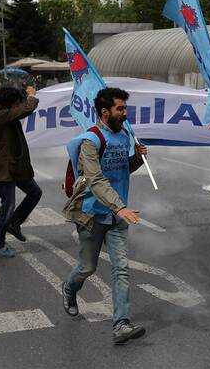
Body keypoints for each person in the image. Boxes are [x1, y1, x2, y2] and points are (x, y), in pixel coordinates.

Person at [61, 87, 149, 345]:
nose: (125, 113)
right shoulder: (91, 140)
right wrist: (118, 207)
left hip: (117, 217)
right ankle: (69, 289)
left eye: (125, 108)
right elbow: (96, 180)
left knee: (121, 268)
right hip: (92, 214)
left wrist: (138, 160)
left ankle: (121, 324)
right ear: (104, 111)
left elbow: (122, 169)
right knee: (88, 267)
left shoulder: (124, 136)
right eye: (120, 109)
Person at [0, 84, 43, 257]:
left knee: (35, 192)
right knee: (8, 206)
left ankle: (14, 223)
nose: (19, 105)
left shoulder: (5, 112)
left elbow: (22, 109)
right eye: (17, 103)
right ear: (10, 104)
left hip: (17, 166)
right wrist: (32, 97)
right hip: (4, 168)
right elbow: (26, 110)